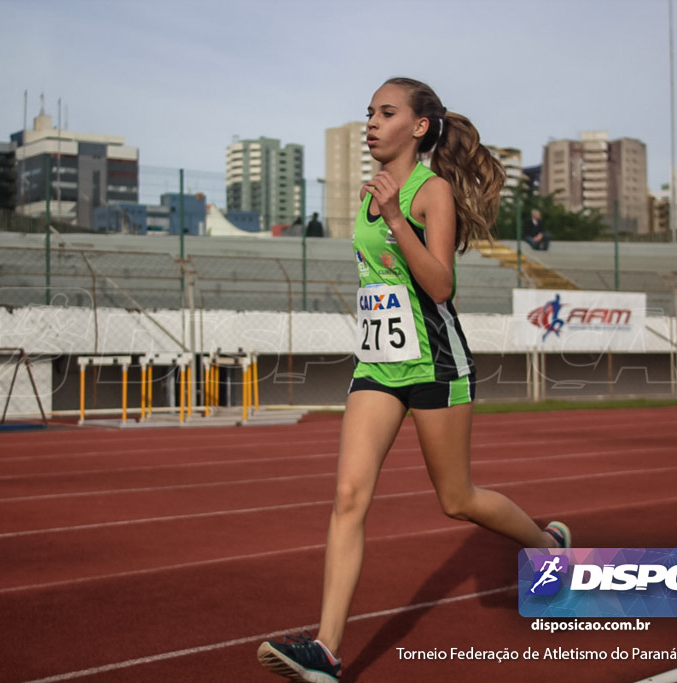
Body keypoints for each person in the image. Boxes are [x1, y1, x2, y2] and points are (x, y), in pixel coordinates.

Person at [257, 77, 571, 683]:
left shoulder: (432, 192)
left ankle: (549, 545)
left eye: (386, 112)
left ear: (419, 127)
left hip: (437, 365)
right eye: (369, 112)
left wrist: (398, 218)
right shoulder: (369, 193)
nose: (371, 122)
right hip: (377, 366)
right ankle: (326, 650)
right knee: (349, 497)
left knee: (457, 500)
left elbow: (441, 286)